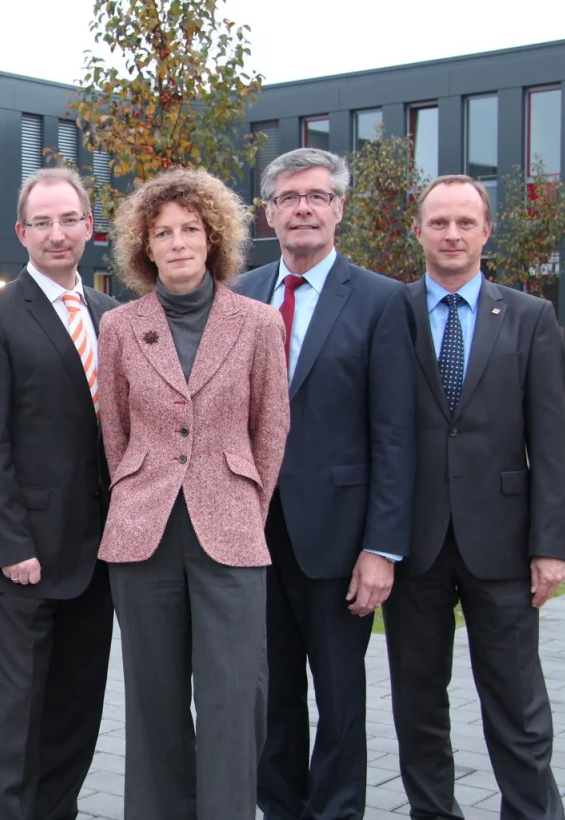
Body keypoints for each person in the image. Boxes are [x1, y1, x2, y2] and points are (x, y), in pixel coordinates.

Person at [96, 168, 290, 819]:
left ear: (213, 239)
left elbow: (270, 427)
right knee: (152, 699)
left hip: (230, 531)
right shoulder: (120, 327)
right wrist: (139, 491)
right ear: (144, 247)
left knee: (233, 697)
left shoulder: (258, 323)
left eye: (190, 229)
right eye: (162, 232)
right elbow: (115, 430)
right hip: (143, 534)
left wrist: (244, 506)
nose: (177, 242)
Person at [234, 148, 415, 820]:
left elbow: (395, 434)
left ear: (339, 208)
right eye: (288, 197)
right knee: (270, 693)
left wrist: (382, 548)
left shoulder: (382, 300)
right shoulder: (238, 294)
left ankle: (336, 811)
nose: (303, 208)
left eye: (316, 196)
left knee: (340, 699)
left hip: (339, 540)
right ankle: (279, 807)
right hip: (250, 536)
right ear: (269, 213)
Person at [384, 175, 565, 820]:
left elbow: (550, 442)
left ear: (487, 231)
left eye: (466, 222)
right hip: (416, 542)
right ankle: (433, 812)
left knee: (517, 703)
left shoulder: (530, 317)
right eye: (439, 222)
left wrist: (551, 546)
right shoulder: (390, 312)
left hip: (504, 543)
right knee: (417, 703)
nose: (453, 234)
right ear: (418, 231)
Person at [0, 167, 117, 820]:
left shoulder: (111, 314)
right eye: (41, 222)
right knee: (19, 720)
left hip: (100, 556)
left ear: (89, 227)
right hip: (24, 560)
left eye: (68, 219)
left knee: (78, 709)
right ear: (21, 232)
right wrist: (11, 543)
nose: (56, 233)